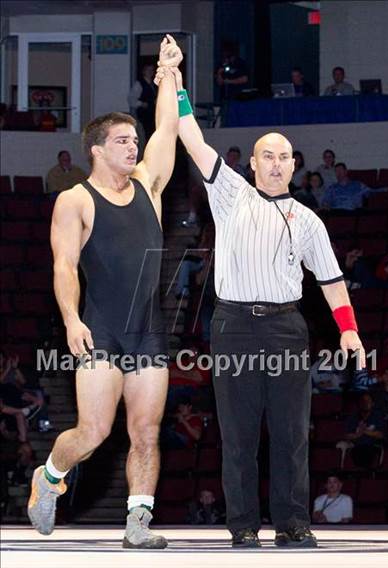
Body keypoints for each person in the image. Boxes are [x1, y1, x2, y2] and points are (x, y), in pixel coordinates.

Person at [156, 51, 366, 549]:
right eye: (266, 155)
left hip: (287, 328)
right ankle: (243, 524)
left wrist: (349, 328)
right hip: (232, 326)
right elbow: (190, 136)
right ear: (252, 163)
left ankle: (294, 523)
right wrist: (179, 83)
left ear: (295, 165)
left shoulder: (309, 220)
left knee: (292, 434)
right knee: (239, 434)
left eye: (284, 156)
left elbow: (332, 282)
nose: (275, 163)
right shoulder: (230, 193)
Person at [27, 35, 183, 549]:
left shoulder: (150, 186)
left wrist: (168, 75)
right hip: (101, 329)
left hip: (148, 332)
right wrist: (71, 320)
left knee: (146, 432)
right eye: (121, 141)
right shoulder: (75, 199)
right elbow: (64, 266)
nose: (132, 147)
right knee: (93, 433)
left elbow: (167, 128)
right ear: (96, 149)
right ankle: (49, 476)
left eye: (132, 141)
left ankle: (138, 524)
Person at [322, 163, 388, 210]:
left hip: (353, 213)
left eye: (340, 170)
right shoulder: (332, 188)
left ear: (346, 171)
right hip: (337, 214)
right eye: (336, 171)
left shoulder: (357, 185)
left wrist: (386, 189)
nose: (339, 173)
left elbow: (371, 192)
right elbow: (325, 202)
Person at [345, 393, 385, 469]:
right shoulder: (353, 417)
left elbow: (380, 435)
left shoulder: (377, 416)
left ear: (373, 404)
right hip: (356, 446)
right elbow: (347, 435)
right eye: (363, 401)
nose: (365, 403)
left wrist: (364, 431)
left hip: (372, 446)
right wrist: (358, 434)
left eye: (368, 401)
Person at [127, 62, 158, 141]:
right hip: (144, 116)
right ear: (143, 71)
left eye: (152, 70)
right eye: (148, 70)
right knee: (145, 136)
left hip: (153, 115)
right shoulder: (139, 84)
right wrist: (142, 104)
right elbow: (131, 99)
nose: (150, 72)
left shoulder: (154, 84)